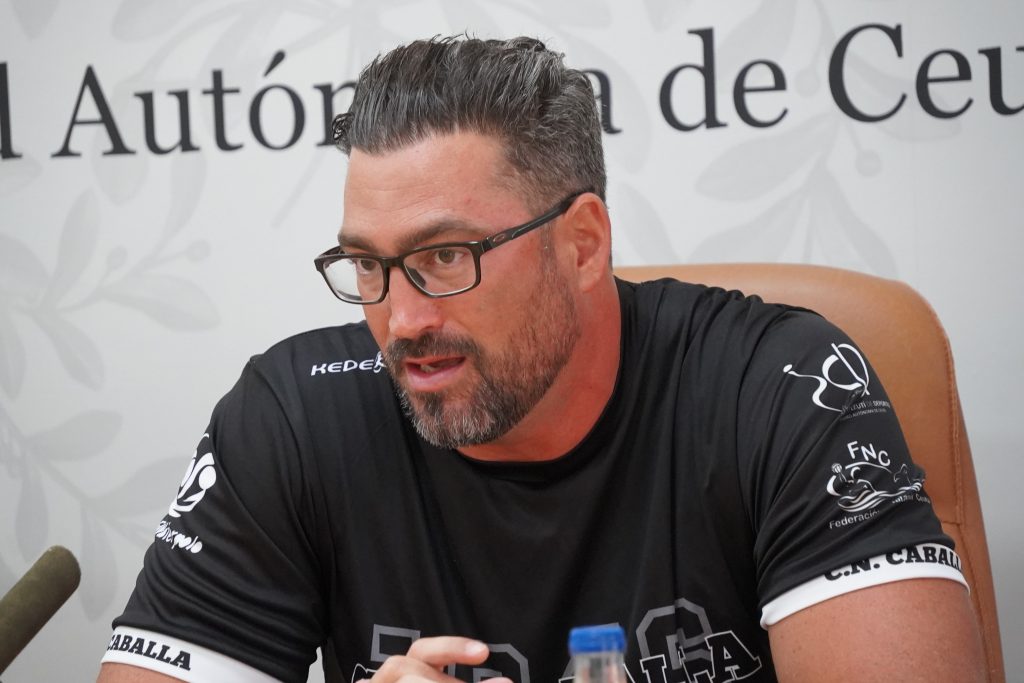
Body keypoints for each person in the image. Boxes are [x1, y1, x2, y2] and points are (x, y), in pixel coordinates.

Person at [97, 35, 985, 683]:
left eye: (447, 256)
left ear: (583, 242)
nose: (401, 319)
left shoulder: (778, 383)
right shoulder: (291, 419)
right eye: (367, 264)